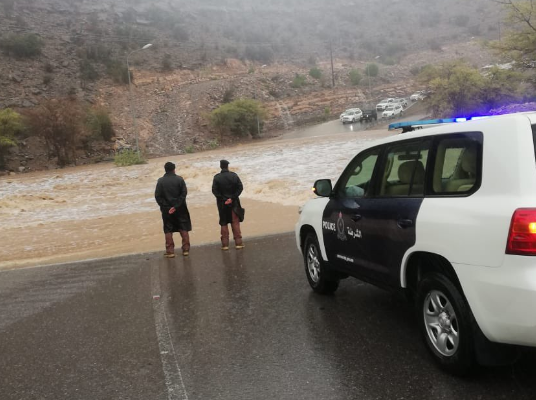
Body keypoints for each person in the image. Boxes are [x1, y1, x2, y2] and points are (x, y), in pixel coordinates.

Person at [155, 162, 192, 257]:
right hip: (180, 209)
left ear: (165, 169)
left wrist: (167, 207)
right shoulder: (180, 179)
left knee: (168, 229)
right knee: (183, 227)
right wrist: (176, 206)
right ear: (174, 169)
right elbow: (184, 194)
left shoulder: (160, 181)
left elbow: (158, 196)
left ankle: (170, 251)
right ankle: (186, 250)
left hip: (167, 210)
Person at [212, 159, 245, 250]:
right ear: (227, 166)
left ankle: (225, 245)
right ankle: (238, 243)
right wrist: (232, 198)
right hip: (234, 203)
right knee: (235, 222)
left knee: (223, 223)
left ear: (220, 167)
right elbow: (240, 187)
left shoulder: (217, 177)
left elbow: (214, 191)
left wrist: (224, 199)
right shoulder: (234, 176)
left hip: (222, 205)